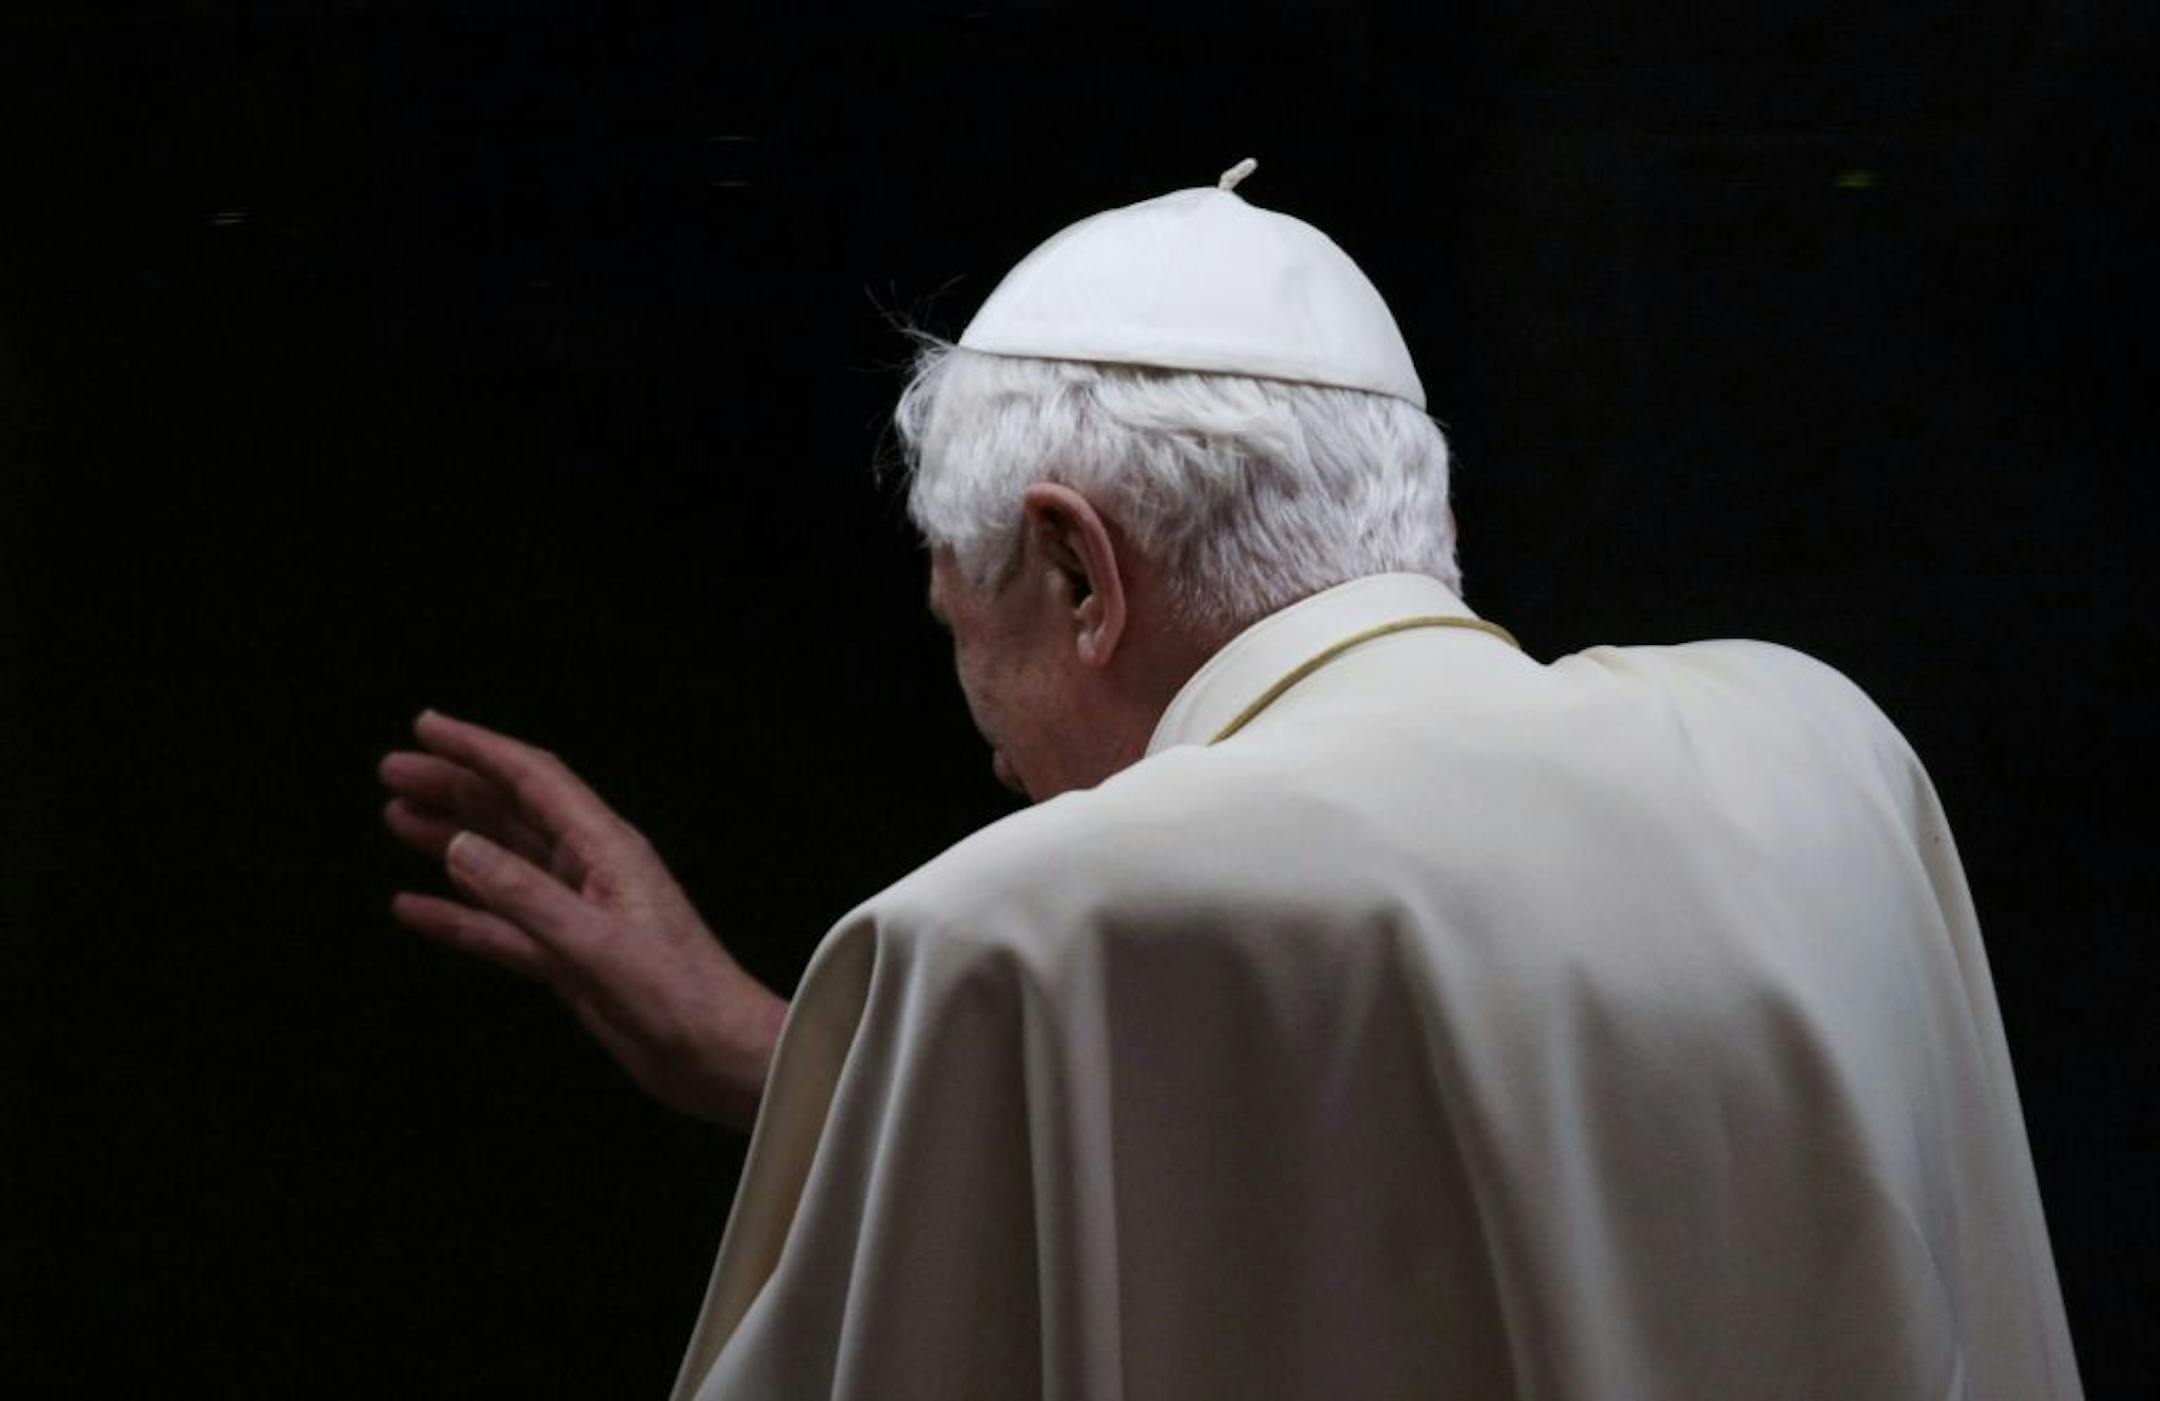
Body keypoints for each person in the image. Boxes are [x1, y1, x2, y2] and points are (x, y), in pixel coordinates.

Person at [379, 162, 2082, 1398]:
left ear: (1076, 571)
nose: (986, 738)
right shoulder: (1818, 748)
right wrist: (809, 1059)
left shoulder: (1027, 923)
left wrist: (894, 1016)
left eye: (961, 628)